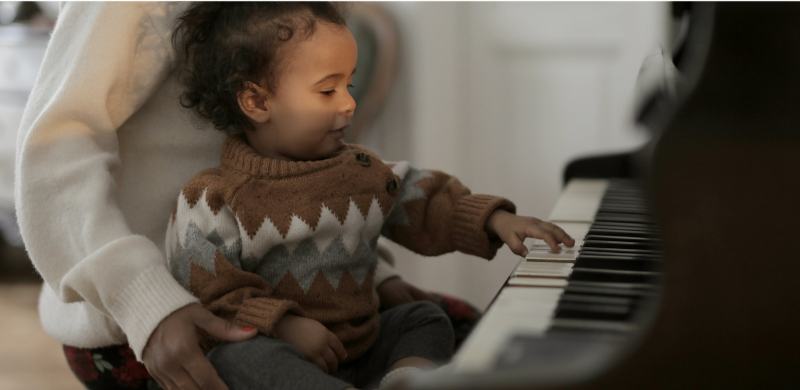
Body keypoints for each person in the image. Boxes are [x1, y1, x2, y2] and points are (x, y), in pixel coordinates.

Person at [13, 3, 501, 390]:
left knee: (479, 339)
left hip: (290, 295)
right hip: (150, 321)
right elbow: (54, 153)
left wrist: (369, 271)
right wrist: (147, 305)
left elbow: (303, 168)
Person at [163, 3, 575, 390]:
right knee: (238, 359)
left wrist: (494, 220)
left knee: (425, 318)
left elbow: (425, 201)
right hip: (284, 352)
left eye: (350, 84)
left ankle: (405, 380)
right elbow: (213, 296)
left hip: (366, 345)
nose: (348, 103)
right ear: (256, 101)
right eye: (327, 91)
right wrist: (285, 326)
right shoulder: (212, 199)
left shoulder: (362, 172)